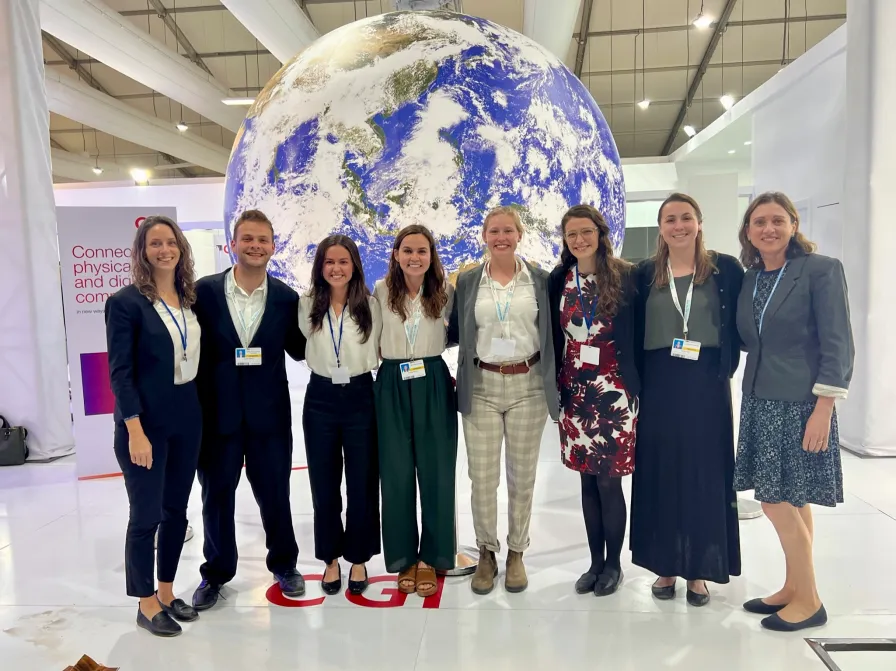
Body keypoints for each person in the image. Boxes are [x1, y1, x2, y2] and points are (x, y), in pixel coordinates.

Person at [734, 192, 853, 632]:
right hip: (758, 398)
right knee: (793, 498)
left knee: (774, 499)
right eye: (759, 222)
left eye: (777, 220)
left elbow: (838, 343)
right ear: (748, 231)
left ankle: (810, 600)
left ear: (793, 224)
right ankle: (793, 587)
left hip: (800, 403)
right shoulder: (751, 278)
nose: (768, 229)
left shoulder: (821, 270)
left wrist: (824, 407)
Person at [630, 193, 743, 607]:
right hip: (659, 382)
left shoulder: (725, 269)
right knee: (661, 470)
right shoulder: (644, 273)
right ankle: (666, 564)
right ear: (660, 228)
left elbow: (740, 325)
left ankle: (699, 569)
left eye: (685, 218)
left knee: (704, 473)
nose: (678, 226)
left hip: (706, 381)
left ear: (699, 222)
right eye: (670, 220)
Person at [190, 209, 307, 611]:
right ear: (232, 244)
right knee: (216, 498)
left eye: (262, 240)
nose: (255, 246)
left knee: (275, 496)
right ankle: (216, 572)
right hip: (216, 416)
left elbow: (301, 349)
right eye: (248, 239)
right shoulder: (203, 293)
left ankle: (285, 565)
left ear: (273, 247)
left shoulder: (287, 299)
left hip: (269, 418)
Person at [448, 206, 559, 595]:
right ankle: (486, 552)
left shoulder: (541, 281)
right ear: (484, 236)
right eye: (494, 231)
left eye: (508, 230)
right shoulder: (467, 281)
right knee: (482, 478)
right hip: (482, 385)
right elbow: (454, 329)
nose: (501, 237)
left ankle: (516, 552)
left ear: (519, 235)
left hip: (528, 384)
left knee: (522, 476)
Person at [105, 215, 202, 637]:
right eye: (155, 244)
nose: (165, 250)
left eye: (171, 242)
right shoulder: (126, 303)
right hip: (145, 425)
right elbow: (120, 373)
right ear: (142, 252)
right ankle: (145, 603)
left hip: (187, 418)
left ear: (181, 248)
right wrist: (135, 429)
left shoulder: (189, 299)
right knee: (145, 515)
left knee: (176, 511)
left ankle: (166, 591)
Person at [548, 204, 639, 598]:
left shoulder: (626, 275)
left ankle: (614, 564)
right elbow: (554, 335)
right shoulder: (559, 279)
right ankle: (594, 563)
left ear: (601, 233)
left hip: (614, 391)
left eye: (586, 231)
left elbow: (637, 333)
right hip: (575, 391)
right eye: (571, 234)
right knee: (586, 479)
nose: (579, 240)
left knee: (609, 480)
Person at [374, 224, 457, 598]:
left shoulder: (445, 291)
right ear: (396, 254)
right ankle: (404, 557)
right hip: (392, 379)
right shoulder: (380, 291)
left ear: (431, 256)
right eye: (407, 250)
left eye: (422, 250)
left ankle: (432, 557)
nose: (414, 257)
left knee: (437, 470)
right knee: (396, 473)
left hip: (433, 379)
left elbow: (456, 334)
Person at [300, 234, 382, 596]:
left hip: (361, 394)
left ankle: (359, 557)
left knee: (362, 481)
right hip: (320, 397)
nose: (336, 268)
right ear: (321, 267)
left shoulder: (371, 305)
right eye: (329, 262)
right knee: (324, 483)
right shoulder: (307, 305)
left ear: (354, 266)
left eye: (343, 262)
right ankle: (330, 558)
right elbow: (301, 342)